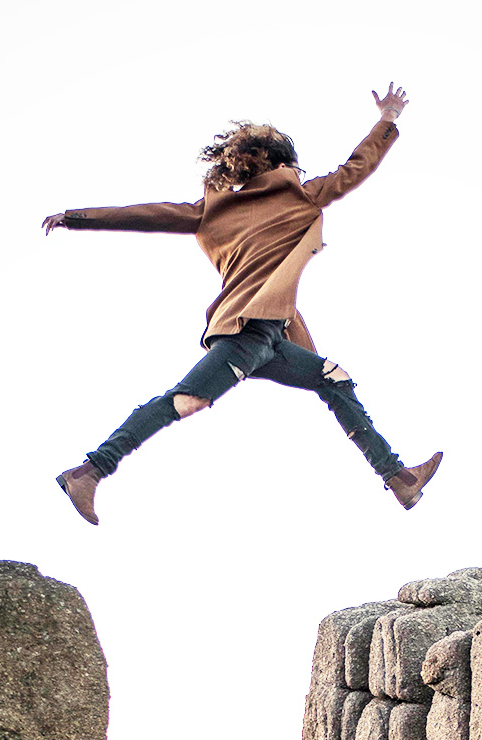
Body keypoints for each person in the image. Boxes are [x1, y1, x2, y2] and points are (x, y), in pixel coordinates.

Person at [42, 83, 441, 525]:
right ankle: (90, 471)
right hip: (246, 332)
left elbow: (146, 212)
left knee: (333, 378)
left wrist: (77, 218)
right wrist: (387, 118)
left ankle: (399, 478)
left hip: (271, 335)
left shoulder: (212, 210)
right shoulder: (300, 195)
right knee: (186, 400)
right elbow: (356, 167)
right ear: (284, 163)